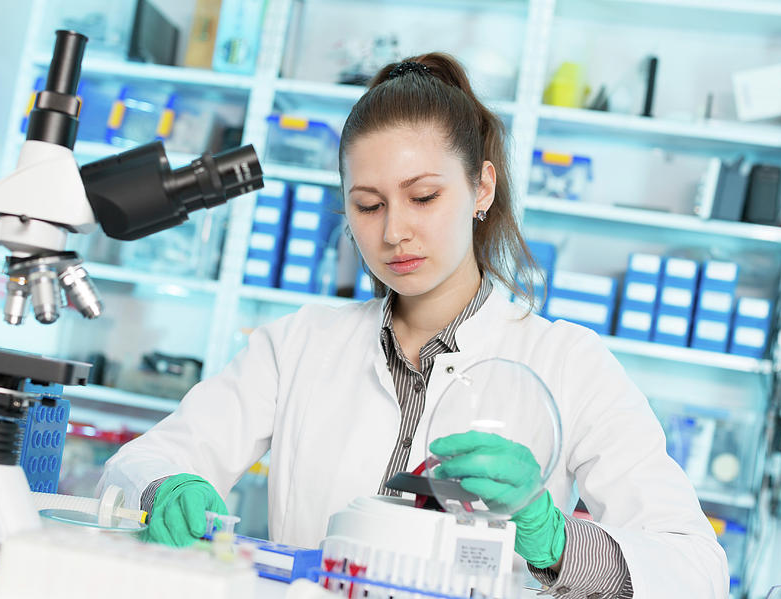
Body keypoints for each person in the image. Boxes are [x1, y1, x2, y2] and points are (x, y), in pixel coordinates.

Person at [99, 53, 728, 598]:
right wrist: (165, 485)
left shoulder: (569, 364)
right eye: (368, 205)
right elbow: (143, 461)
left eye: (423, 197)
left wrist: (552, 537)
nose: (393, 231)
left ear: (482, 188)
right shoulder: (297, 345)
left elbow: (697, 569)